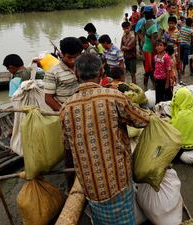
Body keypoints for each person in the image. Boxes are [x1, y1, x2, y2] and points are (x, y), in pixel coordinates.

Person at [60, 53, 151, 225]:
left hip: (90, 185)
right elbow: (142, 120)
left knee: (101, 220)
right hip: (116, 179)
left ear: (76, 74)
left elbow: (67, 147)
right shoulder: (114, 97)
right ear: (102, 71)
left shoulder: (66, 107)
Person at [44, 37, 83, 111]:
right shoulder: (52, 72)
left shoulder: (83, 66)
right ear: (62, 54)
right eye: (69, 57)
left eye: (76, 57)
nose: (73, 61)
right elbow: (48, 99)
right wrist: (64, 112)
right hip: (66, 110)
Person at [140, 8, 158, 90]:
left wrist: (143, 41)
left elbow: (139, 33)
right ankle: (150, 86)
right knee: (150, 69)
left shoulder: (144, 23)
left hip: (145, 48)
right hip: (150, 50)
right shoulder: (154, 24)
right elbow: (154, 42)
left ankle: (147, 87)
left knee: (148, 70)